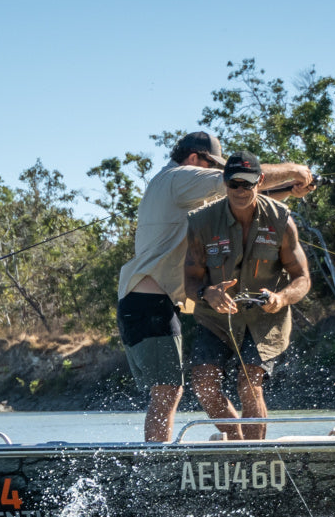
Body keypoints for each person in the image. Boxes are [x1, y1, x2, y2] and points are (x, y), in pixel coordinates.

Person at [117, 131, 314, 441]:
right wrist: (296, 171)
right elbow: (238, 176)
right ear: (196, 159)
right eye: (215, 169)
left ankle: (239, 452)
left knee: (170, 389)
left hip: (151, 301)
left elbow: (243, 195)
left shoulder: (180, 190)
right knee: (167, 391)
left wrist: (289, 190)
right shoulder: (179, 177)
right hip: (148, 300)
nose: (225, 180)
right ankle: (157, 465)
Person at [183, 151, 312, 441]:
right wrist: (207, 292)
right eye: (234, 184)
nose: (241, 191)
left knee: (249, 384)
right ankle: (238, 448)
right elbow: (190, 280)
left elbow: (302, 278)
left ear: (261, 181)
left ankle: (254, 456)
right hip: (216, 318)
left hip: (264, 320)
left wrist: (281, 298)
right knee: (203, 383)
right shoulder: (201, 222)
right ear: (225, 183)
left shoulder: (281, 220)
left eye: (248, 184)